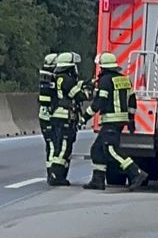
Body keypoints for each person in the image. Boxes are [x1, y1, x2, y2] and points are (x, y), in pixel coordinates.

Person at [81, 53, 148, 190]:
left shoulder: (105, 81)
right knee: (97, 150)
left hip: (111, 120)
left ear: (103, 67)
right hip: (120, 120)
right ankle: (98, 180)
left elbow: (99, 102)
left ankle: (137, 173)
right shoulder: (125, 80)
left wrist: (84, 117)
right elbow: (132, 101)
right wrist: (131, 120)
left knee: (111, 149)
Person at [48, 52, 87, 186]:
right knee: (64, 147)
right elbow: (80, 96)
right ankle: (56, 175)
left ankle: (57, 174)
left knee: (59, 146)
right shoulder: (67, 80)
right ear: (70, 67)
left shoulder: (56, 78)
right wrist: (87, 91)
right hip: (65, 116)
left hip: (56, 116)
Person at [38, 53, 57, 182]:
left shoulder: (47, 78)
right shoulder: (49, 81)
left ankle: (53, 172)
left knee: (51, 145)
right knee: (52, 145)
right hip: (48, 118)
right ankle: (52, 173)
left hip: (45, 117)